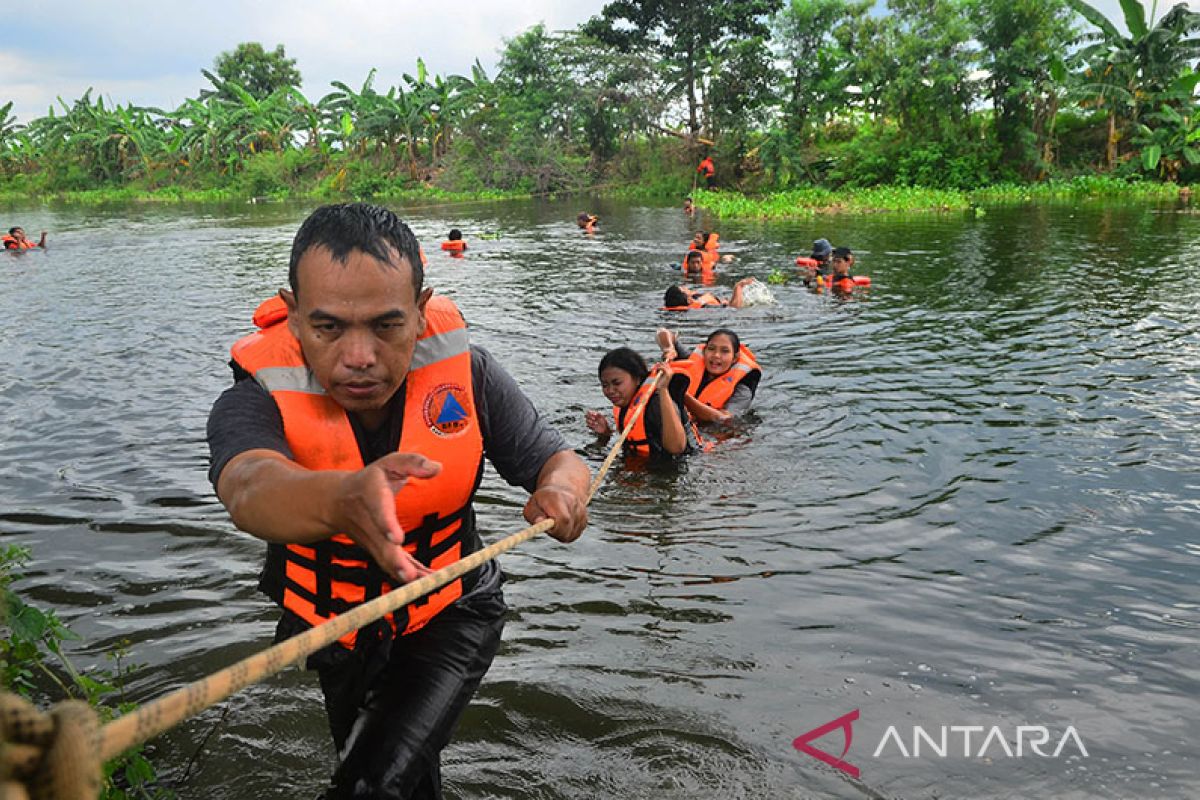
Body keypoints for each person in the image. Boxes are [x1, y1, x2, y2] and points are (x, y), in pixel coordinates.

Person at [206, 203, 590, 799]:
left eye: (386, 326)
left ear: (419, 309)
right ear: (293, 314)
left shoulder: (471, 376)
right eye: (328, 327)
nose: (359, 356)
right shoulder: (255, 397)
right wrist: (340, 497)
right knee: (388, 773)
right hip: (339, 626)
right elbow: (248, 485)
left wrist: (562, 492)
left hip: (451, 612)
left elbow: (559, 461)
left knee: (368, 787)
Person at [584, 347, 690, 456]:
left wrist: (663, 389)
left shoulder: (656, 403)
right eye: (605, 385)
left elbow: (677, 448)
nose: (610, 391)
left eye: (617, 383)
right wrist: (605, 434)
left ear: (638, 379)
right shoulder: (626, 405)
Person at [657, 327, 761, 423]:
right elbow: (663, 333)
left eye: (724, 351)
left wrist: (682, 395)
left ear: (734, 358)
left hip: (711, 434)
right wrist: (669, 348)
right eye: (711, 349)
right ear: (704, 351)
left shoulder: (743, 388)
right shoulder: (691, 359)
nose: (716, 355)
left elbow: (723, 418)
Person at [662, 277, 758, 311]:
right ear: (688, 299)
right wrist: (739, 286)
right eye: (683, 288)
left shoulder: (696, 300)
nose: (685, 287)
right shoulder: (704, 306)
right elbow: (734, 307)